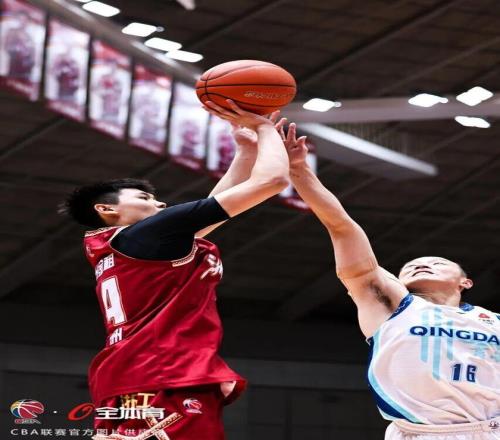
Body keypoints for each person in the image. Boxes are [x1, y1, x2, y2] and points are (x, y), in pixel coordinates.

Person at [59, 100, 290, 440]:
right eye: (143, 198)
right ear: (106, 209)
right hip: (164, 372)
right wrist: (265, 128)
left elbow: (210, 215)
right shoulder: (151, 233)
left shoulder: (119, 245)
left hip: (131, 374)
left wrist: (244, 151)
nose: (160, 203)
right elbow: (273, 180)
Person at [280, 123, 499, 440]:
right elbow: (341, 226)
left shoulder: (494, 321)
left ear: (465, 282)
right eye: (412, 266)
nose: (423, 264)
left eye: (437, 263)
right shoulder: (391, 306)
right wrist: (300, 172)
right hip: (421, 434)